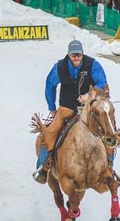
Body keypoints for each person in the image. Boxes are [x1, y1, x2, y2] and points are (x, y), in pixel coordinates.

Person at [33, 40, 109, 183]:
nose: (76, 57)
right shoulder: (59, 67)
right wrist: (52, 108)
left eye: (78, 55)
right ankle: (42, 167)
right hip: (66, 108)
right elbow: (50, 85)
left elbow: (102, 83)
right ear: (68, 54)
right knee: (49, 133)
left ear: (82, 53)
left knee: (108, 132)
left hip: (88, 109)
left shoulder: (92, 65)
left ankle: (109, 169)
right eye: (73, 55)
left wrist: (89, 95)